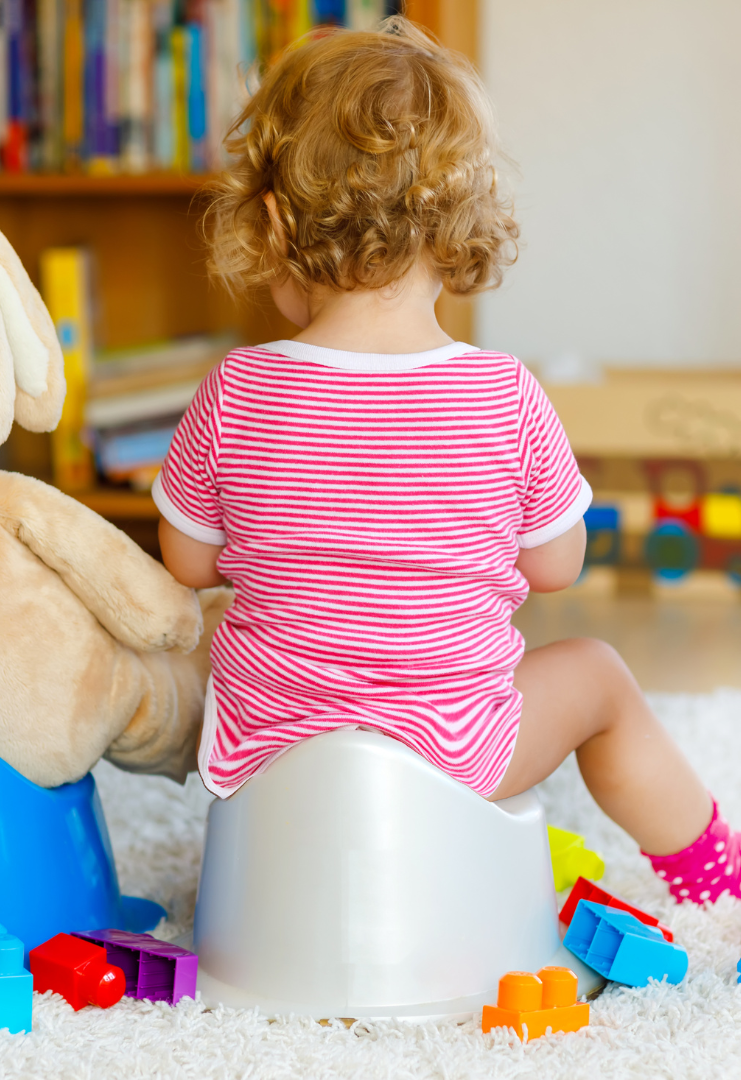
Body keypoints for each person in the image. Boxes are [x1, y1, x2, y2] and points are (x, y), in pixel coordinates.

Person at [152, 18, 737, 905]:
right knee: (600, 677)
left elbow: (189, 562)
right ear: (456, 224)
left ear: (271, 221)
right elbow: (556, 564)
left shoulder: (237, 387)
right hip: (456, 758)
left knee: (216, 645)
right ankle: (712, 875)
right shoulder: (504, 394)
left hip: (271, 760)